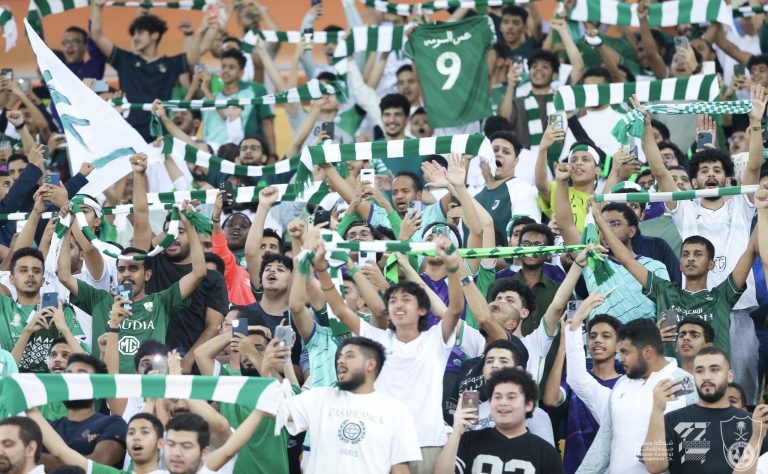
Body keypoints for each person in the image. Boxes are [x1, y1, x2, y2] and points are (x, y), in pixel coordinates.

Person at [637, 87, 767, 405]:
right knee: (690, 390)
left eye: (716, 171)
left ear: (726, 179)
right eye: (704, 171)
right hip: (694, 311)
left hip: (736, 310)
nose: (710, 174)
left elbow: (752, 166)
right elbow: (659, 171)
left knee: (744, 385)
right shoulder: (685, 206)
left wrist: (754, 123)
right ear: (694, 182)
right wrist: (645, 129)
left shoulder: (741, 202)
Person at [310, 235, 463, 474]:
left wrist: (453, 267)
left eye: (406, 300)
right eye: (393, 301)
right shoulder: (377, 339)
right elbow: (339, 309)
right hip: (381, 445)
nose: (398, 305)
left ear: (422, 309)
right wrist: (321, 269)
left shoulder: (436, 339)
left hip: (427, 444)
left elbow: (455, 310)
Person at [594, 202, 757, 361]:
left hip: (713, 381)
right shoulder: (665, 292)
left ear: (711, 264)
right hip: (673, 382)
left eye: (698, 254)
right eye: (685, 255)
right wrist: (599, 220)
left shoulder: (722, 296)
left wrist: (763, 210)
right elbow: (627, 260)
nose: (691, 258)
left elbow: (750, 252)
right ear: (680, 264)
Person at [57, 205, 207, 374]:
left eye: (133, 269)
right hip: (110, 391)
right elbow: (64, 275)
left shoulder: (161, 302)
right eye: (121, 270)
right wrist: (68, 228)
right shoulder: (100, 301)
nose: (126, 274)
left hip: (149, 387)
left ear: (148, 274)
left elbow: (199, 272)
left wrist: (189, 226)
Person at [257, 337, 421, 473]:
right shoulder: (319, 397)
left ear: (370, 364)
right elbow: (274, 409)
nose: (341, 361)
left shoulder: (396, 411)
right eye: (340, 357)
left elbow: (400, 469)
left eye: (349, 356)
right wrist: (266, 369)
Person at [132, 155, 228, 373]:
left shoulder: (212, 277)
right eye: (169, 231)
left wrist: (187, 362)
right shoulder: (151, 265)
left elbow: (213, 326)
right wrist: (139, 174)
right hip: (148, 361)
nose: (173, 237)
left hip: (190, 364)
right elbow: (140, 218)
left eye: (180, 232)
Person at [577, 318, 698, 473]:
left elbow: (694, 454)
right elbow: (603, 443)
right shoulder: (621, 383)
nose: (620, 359)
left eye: (626, 352)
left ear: (647, 352)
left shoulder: (685, 383)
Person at [89, 1, 200, 141]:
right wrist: (97, 7)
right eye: (134, 33)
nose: (135, 37)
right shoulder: (124, 60)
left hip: (160, 137)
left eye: (140, 33)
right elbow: (96, 35)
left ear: (154, 35)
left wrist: (201, 30)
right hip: (130, 135)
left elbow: (193, 57)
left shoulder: (170, 64)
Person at [641, 347, 760, 472]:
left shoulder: (752, 424)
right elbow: (654, 466)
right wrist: (657, 409)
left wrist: (758, 435)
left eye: (714, 370)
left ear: (730, 376)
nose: (706, 377)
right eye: (699, 371)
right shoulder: (673, 420)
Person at [545, 291, 622, 473]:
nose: (598, 340)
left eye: (606, 336)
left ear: (619, 345)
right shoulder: (576, 379)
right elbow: (550, 399)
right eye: (593, 336)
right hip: (576, 466)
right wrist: (565, 342)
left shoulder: (626, 385)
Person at [433, 368, 565, 474]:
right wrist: (456, 432)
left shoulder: (546, 453)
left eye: (511, 397)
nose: (503, 403)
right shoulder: (469, 441)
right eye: (497, 397)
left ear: (529, 404)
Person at [1, 248, 86, 373]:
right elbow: (6, 373)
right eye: (23, 270)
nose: (30, 274)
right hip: (14, 389)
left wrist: (63, 328)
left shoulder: (61, 311)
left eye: (36, 271)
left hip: (51, 389)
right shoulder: (3, 306)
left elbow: (84, 364)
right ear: (11, 279)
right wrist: (28, 331)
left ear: (43, 280)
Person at [42, 354, 127, 470]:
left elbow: (96, 466)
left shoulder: (114, 424)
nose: (72, 380)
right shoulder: (48, 428)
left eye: (81, 375)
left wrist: (36, 459)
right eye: (68, 375)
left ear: (98, 388)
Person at [471, 131, 541, 244]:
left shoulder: (523, 190)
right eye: (494, 150)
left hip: (506, 261)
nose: (498, 154)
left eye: (506, 152)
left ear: (516, 161)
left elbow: (527, 241)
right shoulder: (474, 195)